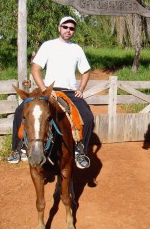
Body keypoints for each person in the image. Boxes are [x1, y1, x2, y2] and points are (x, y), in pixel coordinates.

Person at [7, 16, 94, 169]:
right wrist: (45, 90)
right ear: (59, 28)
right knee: (20, 111)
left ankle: (80, 150)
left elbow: (86, 71)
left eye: (71, 28)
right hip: (46, 90)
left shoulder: (77, 49)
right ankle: (17, 148)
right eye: (65, 27)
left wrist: (80, 89)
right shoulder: (48, 46)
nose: (68, 30)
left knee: (88, 117)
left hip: (69, 91)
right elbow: (35, 69)